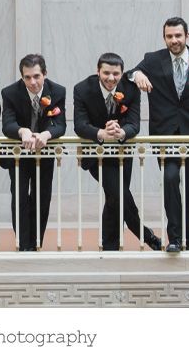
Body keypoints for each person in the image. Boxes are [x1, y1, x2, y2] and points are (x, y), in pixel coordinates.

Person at [130, 16, 189, 252]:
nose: (174, 40)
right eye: (169, 36)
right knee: (170, 179)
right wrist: (137, 75)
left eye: (178, 36)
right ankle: (174, 238)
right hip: (166, 135)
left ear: (187, 36)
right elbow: (129, 73)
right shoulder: (153, 60)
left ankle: (188, 240)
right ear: (164, 38)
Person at [74, 52, 162, 252]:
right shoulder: (82, 89)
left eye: (116, 73)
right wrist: (102, 133)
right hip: (96, 155)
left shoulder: (130, 90)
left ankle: (110, 247)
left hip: (122, 154)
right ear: (98, 72)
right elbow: (80, 125)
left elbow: (134, 124)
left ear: (122, 73)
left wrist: (122, 132)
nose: (111, 78)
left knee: (114, 198)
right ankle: (147, 236)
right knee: (119, 194)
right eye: (106, 73)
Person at [0, 54, 65, 251]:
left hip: (44, 154)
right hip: (18, 156)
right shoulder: (10, 92)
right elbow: (8, 124)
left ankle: (36, 243)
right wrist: (23, 131)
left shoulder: (58, 91)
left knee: (42, 198)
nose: (33, 82)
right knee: (19, 198)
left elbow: (60, 125)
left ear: (45, 74)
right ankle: (23, 245)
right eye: (27, 77)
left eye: (36, 76)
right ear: (22, 77)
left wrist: (47, 134)